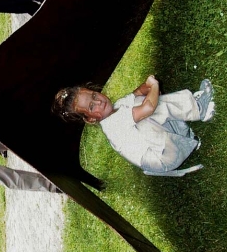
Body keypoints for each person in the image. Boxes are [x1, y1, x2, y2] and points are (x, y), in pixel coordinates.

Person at [52, 76, 215, 177]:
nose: (99, 102)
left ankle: (188, 138)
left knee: (141, 104)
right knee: (148, 111)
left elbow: (137, 92)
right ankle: (200, 108)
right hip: (165, 158)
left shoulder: (117, 107)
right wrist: (155, 85)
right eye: (92, 107)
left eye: (94, 95)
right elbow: (148, 107)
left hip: (167, 151)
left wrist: (148, 84)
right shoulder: (113, 124)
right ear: (91, 119)